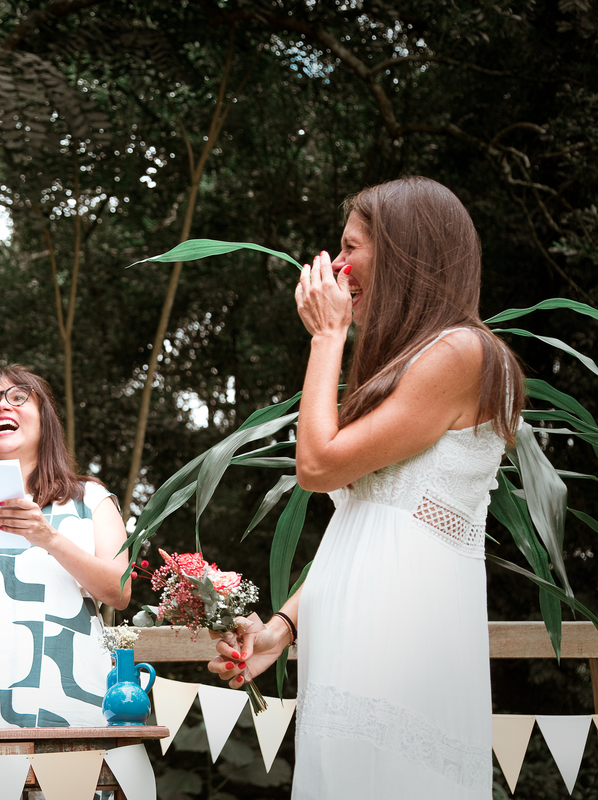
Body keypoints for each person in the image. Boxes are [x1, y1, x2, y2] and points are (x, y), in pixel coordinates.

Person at [207, 176, 525, 798]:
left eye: (350, 247)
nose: (337, 265)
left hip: (403, 631)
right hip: (348, 636)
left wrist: (328, 337)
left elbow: (317, 465)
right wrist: (281, 629)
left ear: (406, 253)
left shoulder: (465, 351)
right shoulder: (412, 364)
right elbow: (371, 523)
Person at [0, 366, 132, 728]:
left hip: (67, 700)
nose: (1, 405)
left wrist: (49, 539)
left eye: (18, 397)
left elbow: (119, 593)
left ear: (46, 419)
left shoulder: (91, 499)